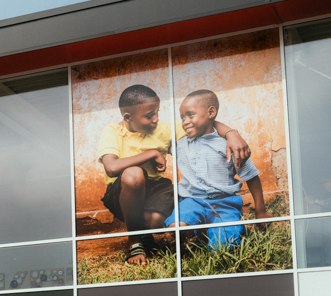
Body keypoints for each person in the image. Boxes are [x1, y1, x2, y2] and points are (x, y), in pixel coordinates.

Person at [97, 84, 249, 265]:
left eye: (157, 112)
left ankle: (144, 233)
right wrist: (152, 153)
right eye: (149, 115)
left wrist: (232, 133)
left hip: (155, 189)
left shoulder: (163, 130)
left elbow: (204, 121)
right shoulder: (113, 131)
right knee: (134, 174)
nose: (156, 119)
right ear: (127, 118)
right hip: (123, 191)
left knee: (156, 221)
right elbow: (111, 167)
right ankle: (135, 240)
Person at [165, 89, 268, 248]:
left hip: (224, 204)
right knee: (176, 226)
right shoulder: (180, 144)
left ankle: (230, 230)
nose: (185, 121)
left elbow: (251, 177)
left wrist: (260, 211)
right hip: (192, 202)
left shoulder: (229, 145)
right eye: (182, 117)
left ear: (211, 112)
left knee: (223, 248)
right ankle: (201, 232)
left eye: (190, 115)